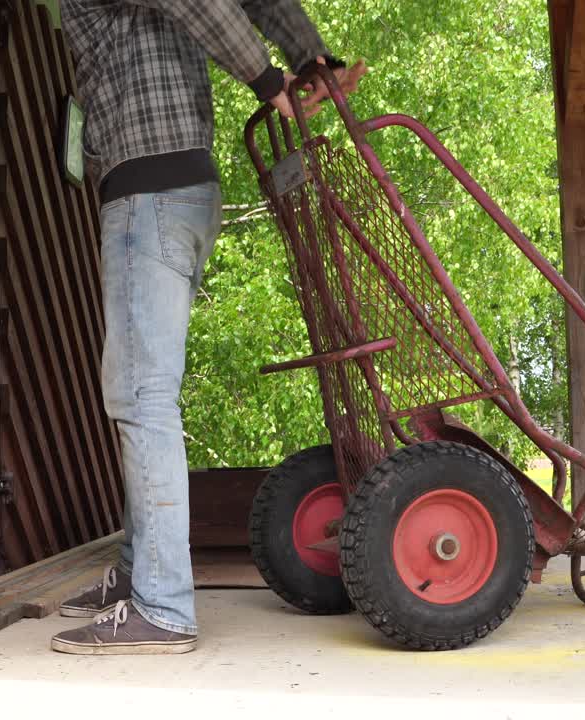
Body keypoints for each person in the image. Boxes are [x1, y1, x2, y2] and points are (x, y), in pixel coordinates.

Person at [51, 0, 367, 655]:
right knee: (147, 391)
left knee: (141, 396)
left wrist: (271, 82)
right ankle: (142, 573)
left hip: (149, 196)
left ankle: (162, 609)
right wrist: (305, 52)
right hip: (183, 192)